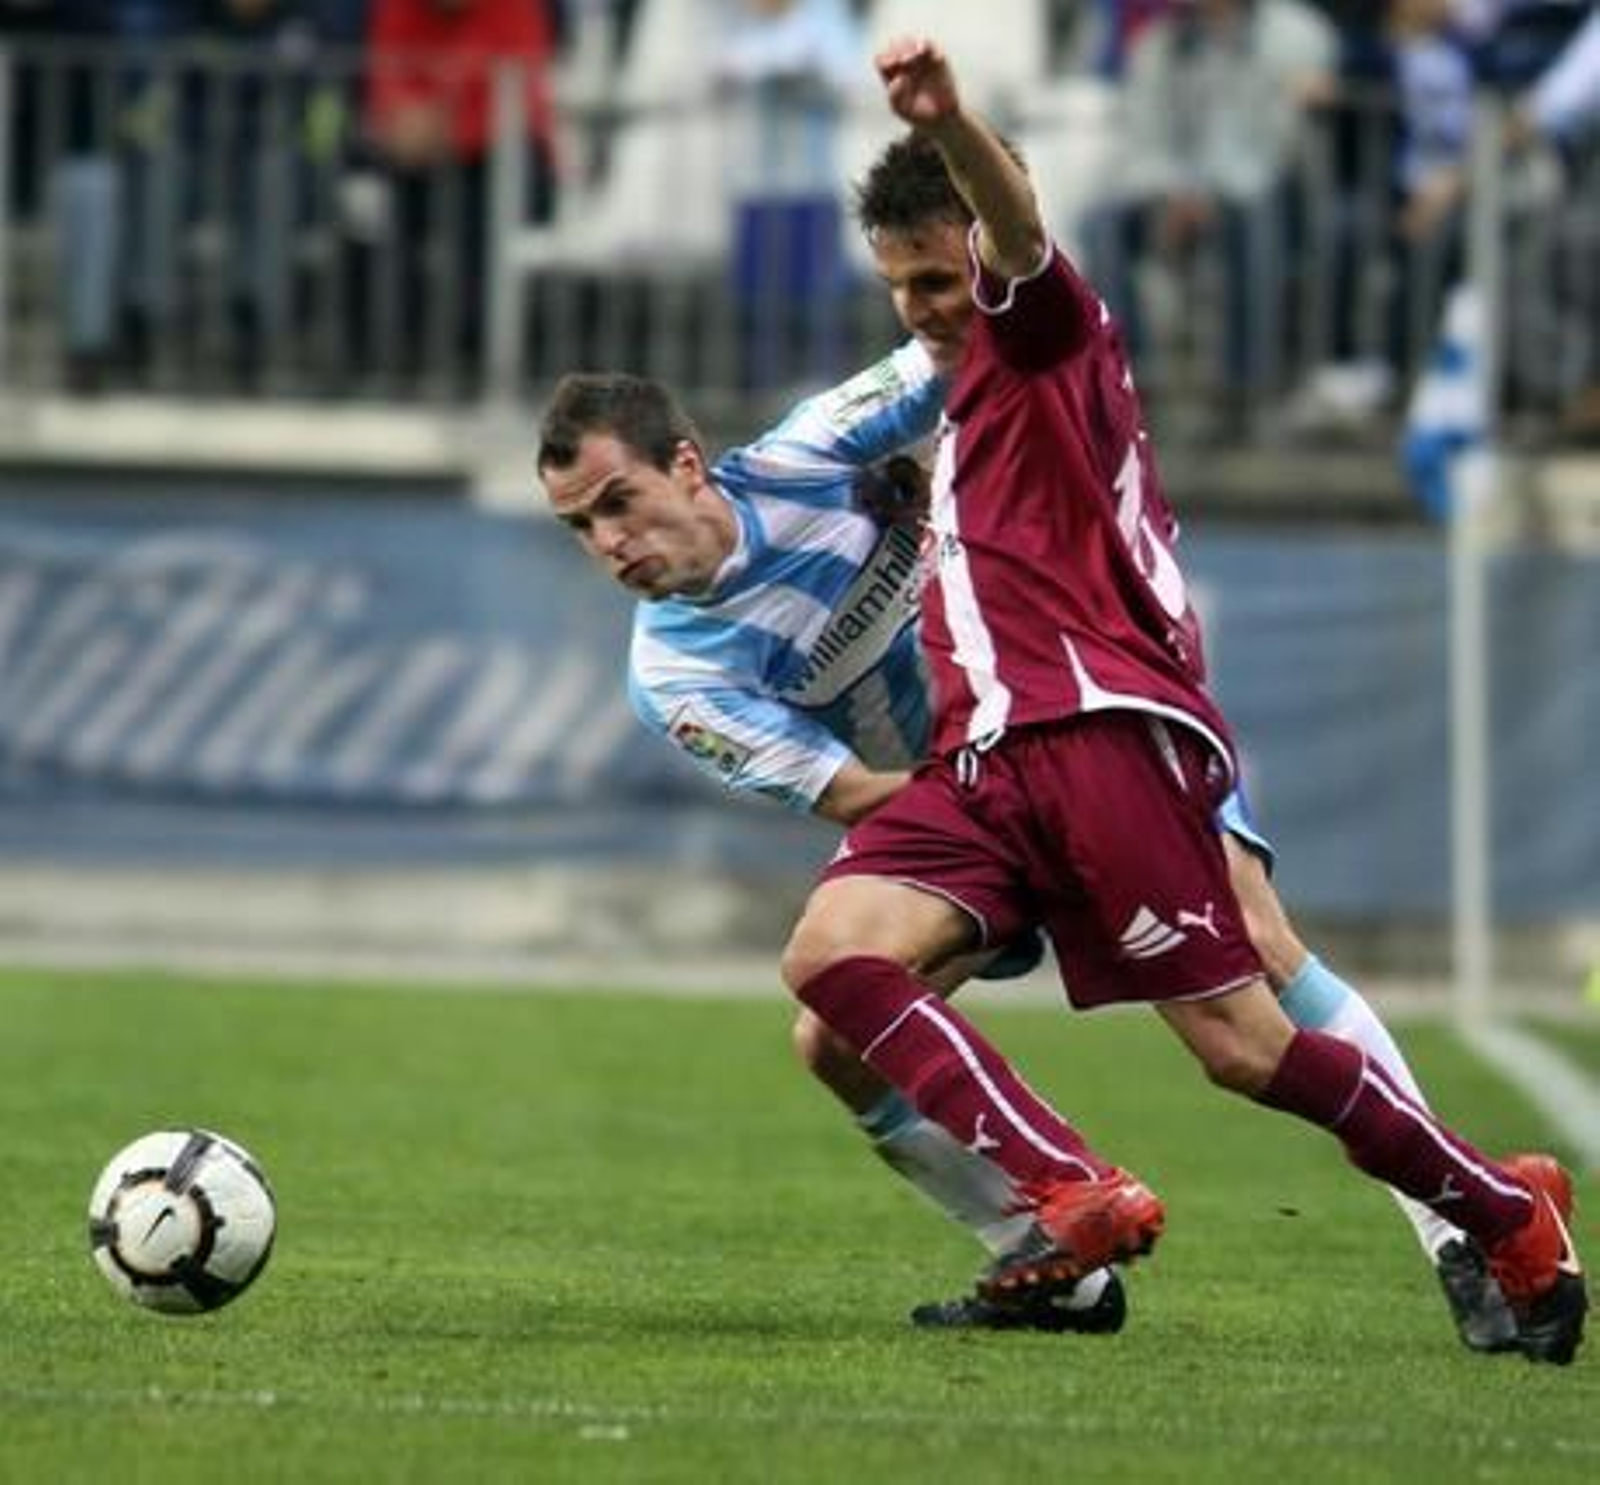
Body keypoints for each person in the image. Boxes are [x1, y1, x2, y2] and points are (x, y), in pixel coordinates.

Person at [773, 33, 1586, 1364]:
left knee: (1241, 1044)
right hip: (986, 764)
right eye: (902, 286)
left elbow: (1018, 236)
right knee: (829, 959)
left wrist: (953, 118)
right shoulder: (972, 396)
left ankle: (1497, 1206)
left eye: (937, 275)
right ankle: (1067, 1189)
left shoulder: (1042, 328)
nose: (923, 304)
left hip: (1095, 732)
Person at [536, 321, 1522, 1347]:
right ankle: (1048, 1254)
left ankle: (1456, 1227)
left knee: (1260, 945)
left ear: (686, 465)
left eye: (619, 503)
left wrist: (964, 448)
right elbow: (853, 795)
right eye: (580, 527)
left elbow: (960, 347)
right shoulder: (674, 677)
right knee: (833, 1039)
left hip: (1087, 708)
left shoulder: (811, 454)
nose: (608, 543)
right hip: (964, 804)